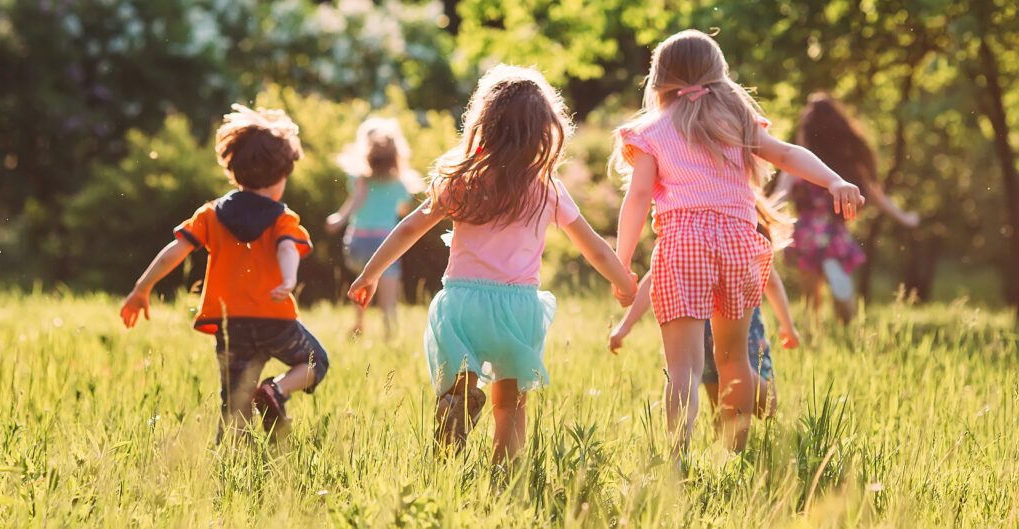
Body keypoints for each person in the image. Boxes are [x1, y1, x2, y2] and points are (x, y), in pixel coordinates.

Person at [347, 65, 638, 464]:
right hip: (517, 308)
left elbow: (409, 227)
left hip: (463, 304)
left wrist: (371, 273)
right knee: (510, 406)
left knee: (458, 382)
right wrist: (624, 282)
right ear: (543, 131)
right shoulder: (546, 188)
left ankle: (452, 433)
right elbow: (596, 250)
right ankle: (504, 474)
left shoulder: (463, 180)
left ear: (484, 123)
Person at [612, 29, 864, 456]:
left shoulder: (651, 131)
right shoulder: (736, 120)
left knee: (683, 368)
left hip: (684, 244)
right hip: (739, 244)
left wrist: (621, 265)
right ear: (718, 72)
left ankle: (675, 461)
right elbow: (786, 154)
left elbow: (637, 198)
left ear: (659, 77)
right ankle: (736, 452)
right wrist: (834, 180)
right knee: (734, 360)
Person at [119, 104, 328, 438]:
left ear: (233, 168)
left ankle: (232, 455)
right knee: (316, 362)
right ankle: (276, 390)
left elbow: (176, 251)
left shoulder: (210, 215)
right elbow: (288, 248)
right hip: (274, 317)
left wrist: (142, 288)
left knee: (234, 402)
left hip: (231, 323)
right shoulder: (282, 218)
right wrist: (289, 279)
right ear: (282, 175)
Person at [608, 195, 801, 420]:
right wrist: (788, 326)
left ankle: (739, 423)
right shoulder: (735, 220)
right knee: (753, 403)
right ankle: (741, 421)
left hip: (712, 325)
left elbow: (653, 279)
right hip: (730, 324)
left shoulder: (711, 216)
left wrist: (625, 326)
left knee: (731, 402)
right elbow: (772, 283)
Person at [775, 93, 920, 323]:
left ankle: (812, 334)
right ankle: (844, 308)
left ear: (806, 132)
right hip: (834, 234)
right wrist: (905, 217)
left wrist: (760, 215)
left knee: (811, 300)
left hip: (806, 235)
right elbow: (879, 198)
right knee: (845, 308)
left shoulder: (797, 167)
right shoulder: (844, 167)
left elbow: (779, 197)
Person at [327, 117, 422, 339]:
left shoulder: (359, 179)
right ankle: (390, 333)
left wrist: (339, 219)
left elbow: (356, 200)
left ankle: (359, 324)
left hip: (357, 242)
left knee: (362, 282)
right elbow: (403, 210)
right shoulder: (400, 183)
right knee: (388, 293)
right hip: (384, 242)